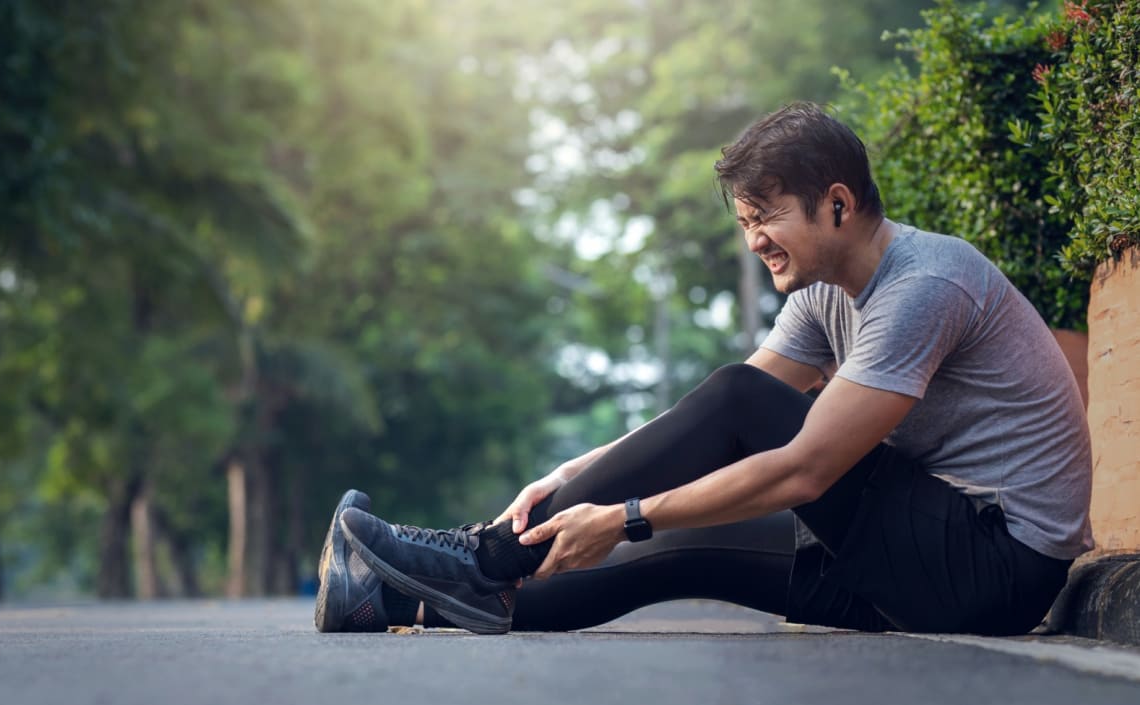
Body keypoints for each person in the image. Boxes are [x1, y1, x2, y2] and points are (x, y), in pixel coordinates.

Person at [314, 101, 1092, 636]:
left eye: (767, 217)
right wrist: (569, 476)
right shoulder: (827, 296)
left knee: (715, 429)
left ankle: (480, 558)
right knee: (665, 554)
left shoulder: (925, 285)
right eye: (747, 222)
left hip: (995, 563)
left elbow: (800, 466)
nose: (755, 238)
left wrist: (623, 512)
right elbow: (698, 428)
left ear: (838, 204)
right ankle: (384, 598)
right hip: (922, 555)